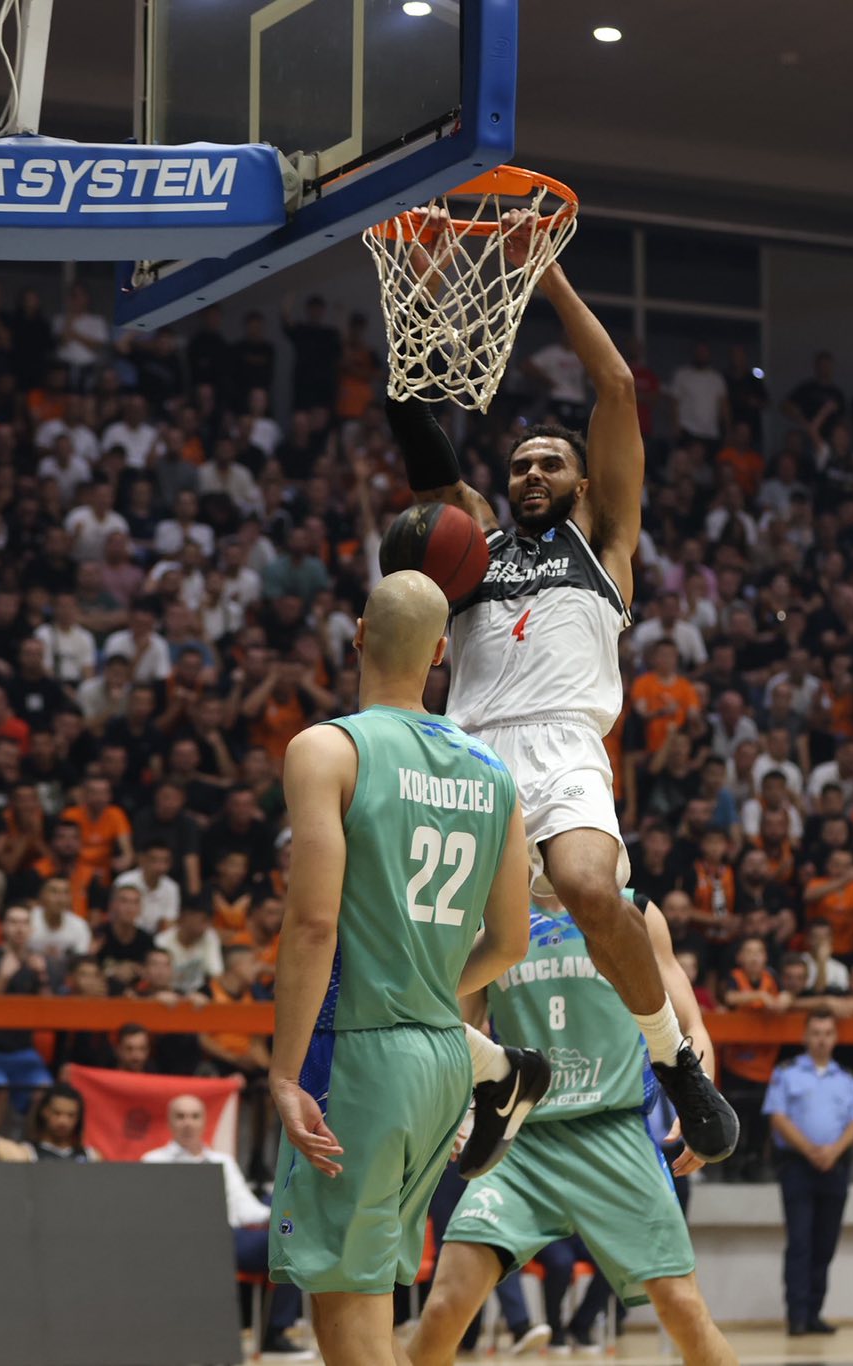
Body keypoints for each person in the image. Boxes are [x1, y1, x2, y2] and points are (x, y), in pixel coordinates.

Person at [392, 219, 736, 1165]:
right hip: (469, 754)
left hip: (563, 746)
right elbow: (415, 429)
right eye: (520, 465)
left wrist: (544, 275)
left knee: (588, 887)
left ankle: (671, 1061)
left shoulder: (605, 542)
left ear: (584, 481)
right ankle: (492, 1082)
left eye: (550, 462)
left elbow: (617, 387)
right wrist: (419, 305)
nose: (532, 473)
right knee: (444, 959)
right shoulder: (470, 542)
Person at [266, 571, 533, 1366]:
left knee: (348, 1321)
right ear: (441, 651)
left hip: (356, 1055)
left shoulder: (326, 749)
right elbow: (510, 943)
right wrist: (423, 989)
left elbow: (313, 925)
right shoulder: (494, 774)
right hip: (443, 1059)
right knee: (363, 1303)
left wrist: (284, 1073)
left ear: (357, 635)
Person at [413, 889, 734, 1366]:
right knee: (443, 1309)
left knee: (682, 1308)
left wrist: (697, 1101)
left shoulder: (634, 909)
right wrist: (458, 1113)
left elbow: (691, 1021)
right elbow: (461, 1030)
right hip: (520, 1141)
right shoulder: (490, 917)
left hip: (614, 1134)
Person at [147, 1093, 308, 1357]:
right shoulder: (153, 1161)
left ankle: (274, 1333)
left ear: (204, 1121)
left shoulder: (223, 1161)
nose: (188, 1123)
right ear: (169, 1121)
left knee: (289, 1242)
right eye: (180, 1116)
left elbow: (246, 1209)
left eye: (194, 1116)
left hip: (228, 1239)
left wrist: (281, 1217)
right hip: (174, 1244)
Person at [763, 1013, 853, 1337]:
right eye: (816, 1033)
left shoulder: (846, 1078)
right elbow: (778, 1117)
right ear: (805, 1037)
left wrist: (833, 1152)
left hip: (834, 1167)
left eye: (828, 1033)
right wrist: (810, 1150)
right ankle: (796, 1315)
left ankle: (814, 1313)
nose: (822, 1039)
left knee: (825, 1243)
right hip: (797, 1166)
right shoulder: (787, 1072)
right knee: (800, 1242)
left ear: (835, 1038)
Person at [0, 904, 55, 1111]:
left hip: (24, 1050)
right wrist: (2, 977)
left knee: (45, 1091)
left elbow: (50, 1014)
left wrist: (42, 977)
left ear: (32, 929)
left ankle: (32, 1133)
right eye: (13, 922)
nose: (19, 928)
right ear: (2, 927)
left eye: (25, 923)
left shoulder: (39, 963)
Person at [28, 1081, 101, 1162]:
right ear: (44, 1111)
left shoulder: (91, 1156)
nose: (63, 1121)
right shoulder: (27, 1153)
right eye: (57, 1113)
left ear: (78, 1117)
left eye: (71, 1115)